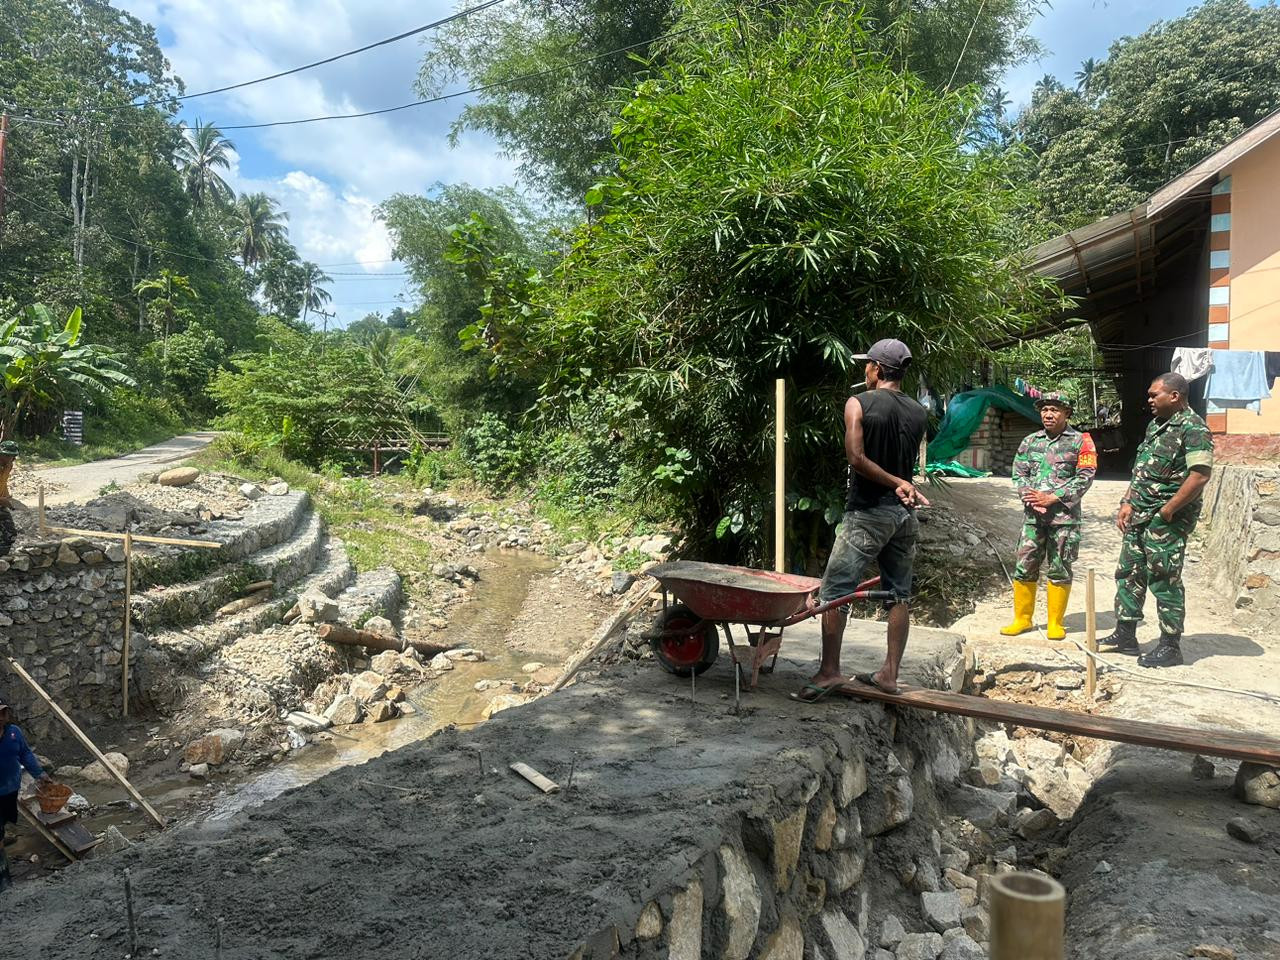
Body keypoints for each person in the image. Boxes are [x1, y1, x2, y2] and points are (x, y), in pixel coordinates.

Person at [795, 338, 930, 701]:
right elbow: (903, 463)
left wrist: (896, 482)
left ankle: (828, 672)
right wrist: (903, 484)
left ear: (878, 369)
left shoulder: (859, 403)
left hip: (868, 513)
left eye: (867, 365)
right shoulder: (919, 411)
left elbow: (855, 457)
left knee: (836, 591)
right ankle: (889, 674)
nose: (865, 370)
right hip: (903, 516)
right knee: (899, 594)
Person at [1100, 372, 1213, 668]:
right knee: (1128, 572)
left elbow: (1200, 474)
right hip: (1138, 514)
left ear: (1174, 396)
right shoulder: (1156, 426)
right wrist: (1127, 501)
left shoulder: (1193, 428)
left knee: (1165, 578)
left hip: (1166, 520)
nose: (1149, 400)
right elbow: (1142, 469)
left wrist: (1168, 510)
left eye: (1154, 395)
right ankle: (1125, 635)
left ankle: (1170, 646)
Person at [1000, 392, 1097, 640]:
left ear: (1066, 413)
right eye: (1044, 410)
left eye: (1054, 409)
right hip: (1033, 517)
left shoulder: (1081, 441)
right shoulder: (1030, 441)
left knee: (1060, 566)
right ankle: (1022, 619)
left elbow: (1086, 475)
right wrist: (1029, 497)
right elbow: (1018, 473)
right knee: (1025, 565)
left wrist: (1053, 498)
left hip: (1064, 518)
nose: (1048, 414)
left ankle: (1055, 622)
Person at [1, 696, 51, 894]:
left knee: (5, 821)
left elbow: (25, 754)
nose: (0, 717)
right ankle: (4, 877)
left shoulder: (14, 733)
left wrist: (40, 774)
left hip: (11, 789)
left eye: (3, 713)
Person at [0, 440, 19, 557]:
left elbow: (3, 482)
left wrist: (7, 497)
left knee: (10, 534)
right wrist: (4, 501)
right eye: (7, 456)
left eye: (13, 456)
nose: (11, 459)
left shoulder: (8, 465)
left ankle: (2, 559)